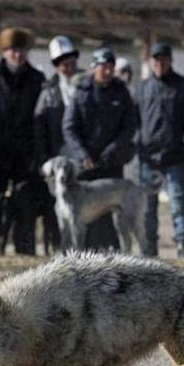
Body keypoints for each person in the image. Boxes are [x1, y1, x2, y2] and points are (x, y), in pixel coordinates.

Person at [63, 47, 136, 250]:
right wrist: (81, 154)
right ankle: (87, 253)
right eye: (103, 66)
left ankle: (111, 252)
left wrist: (113, 150)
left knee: (111, 213)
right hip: (86, 165)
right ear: (94, 67)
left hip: (111, 163)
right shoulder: (81, 91)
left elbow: (129, 127)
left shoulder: (121, 92)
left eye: (110, 67)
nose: (107, 71)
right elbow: (69, 126)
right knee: (86, 213)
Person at [134, 42, 184, 258]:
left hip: (175, 157)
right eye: (155, 59)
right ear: (150, 62)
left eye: (163, 59)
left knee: (179, 206)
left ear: (170, 60)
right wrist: (138, 141)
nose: (159, 63)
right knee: (147, 209)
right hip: (148, 159)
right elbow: (132, 119)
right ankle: (149, 252)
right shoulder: (142, 88)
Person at [0, 27, 46, 255]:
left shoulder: (37, 79)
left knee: (25, 203)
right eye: (12, 50)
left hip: (25, 152)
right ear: (4, 52)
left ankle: (25, 248)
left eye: (21, 50)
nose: (17, 55)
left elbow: (40, 119)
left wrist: (37, 152)